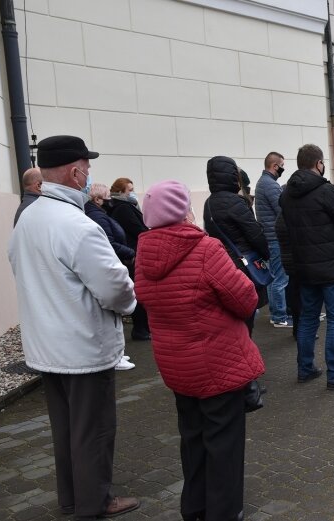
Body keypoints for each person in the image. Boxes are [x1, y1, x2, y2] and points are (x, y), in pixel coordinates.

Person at [8, 135, 140, 520]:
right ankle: (94, 503)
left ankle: (72, 499)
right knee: (93, 431)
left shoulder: (28, 216)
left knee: (65, 430)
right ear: (75, 171)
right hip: (82, 347)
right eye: (87, 167)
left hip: (46, 346)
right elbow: (115, 286)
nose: (89, 175)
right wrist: (130, 304)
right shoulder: (76, 225)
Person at [135, 180, 264, 521]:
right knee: (224, 442)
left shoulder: (144, 253)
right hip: (218, 363)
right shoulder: (206, 249)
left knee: (192, 440)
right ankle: (223, 511)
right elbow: (246, 298)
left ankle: (195, 508)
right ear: (182, 211)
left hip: (178, 365)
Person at [279, 144, 334, 389]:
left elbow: (284, 229)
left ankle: (305, 368)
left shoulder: (286, 194)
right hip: (331, 265)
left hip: (304, 266)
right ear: (318, 163)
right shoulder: (325, 190)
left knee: (307, 319)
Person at [204, 156, 270, 334]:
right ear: (232, 176)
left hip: (221, 264)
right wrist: (266, 253)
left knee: (230, 315)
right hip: (243, 265)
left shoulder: (209, 203)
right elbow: (254, 234)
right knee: (246, 314)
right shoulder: (235, 202)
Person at [85, 183, 136, 371]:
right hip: (113, 263)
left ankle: (118, 353)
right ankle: (116, 356)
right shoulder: (97, 216)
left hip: (117, 260)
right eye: (107, 196)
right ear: (98, 199)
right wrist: (131, 252)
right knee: (111, 315)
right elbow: (110, 243)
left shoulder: (97, 213)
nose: (110, 200)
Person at [108, 177, 151, 341]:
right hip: (133, 254)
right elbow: (138, 229)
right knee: (139, 293)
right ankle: (141, 329)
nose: (133, 193)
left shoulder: (121, 206)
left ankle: (143, 328)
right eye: (130, 190)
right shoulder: (124, 208)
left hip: (132, 253)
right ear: (120, 192)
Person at [255, 152, 292, 328]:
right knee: (280, 279)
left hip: (268, 237)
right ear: (275, 166)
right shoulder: (270, 185)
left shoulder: (263, 183)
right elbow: (283, 210)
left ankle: (276, 314)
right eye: (282, 165)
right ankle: (279, 316)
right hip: (275, 238)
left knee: (273, 278)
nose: (283, 168)